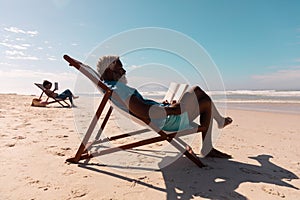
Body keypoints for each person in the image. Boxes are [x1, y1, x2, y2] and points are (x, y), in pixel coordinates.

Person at [97, 56, 233, 158]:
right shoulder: (119, 88)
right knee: (197, 91)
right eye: (120, 68)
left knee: (205, 101)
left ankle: (213, 134)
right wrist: (173, 109)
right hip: (168, 121)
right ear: (109, 69)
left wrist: (165, 106)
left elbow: (143, 108)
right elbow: (144, 111)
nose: (124, 71)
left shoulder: (110, 86)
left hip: (164, 117)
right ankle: (216, 129)